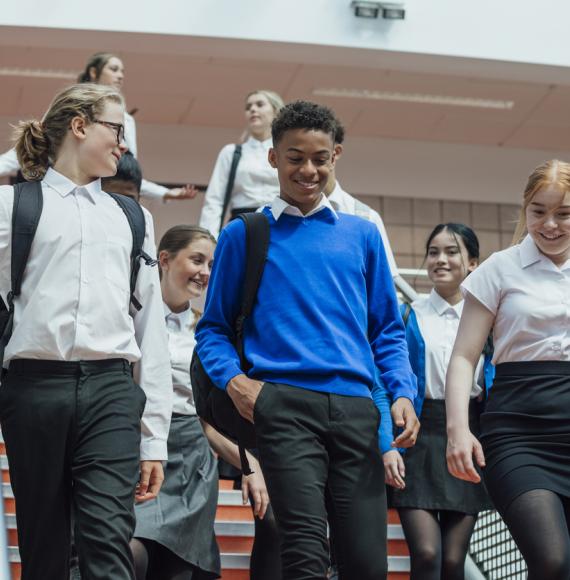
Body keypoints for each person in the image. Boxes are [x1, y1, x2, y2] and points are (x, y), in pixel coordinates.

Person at [195, 100, 419, 580]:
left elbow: (386, 329)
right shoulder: (244, 234)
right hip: (282, 406)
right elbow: (212, 329)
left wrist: (401, 390)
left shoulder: (362, 235)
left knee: (365, 563)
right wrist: (237, 384)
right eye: (295, 157)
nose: (308, 169)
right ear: (273, 158)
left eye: (320, 158)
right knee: (303, 553)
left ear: (336, 156)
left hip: (357, 408)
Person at [0, 83, 172, 580]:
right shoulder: (13, 206)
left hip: (111, 390)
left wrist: (154, 438)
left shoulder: (134, 218)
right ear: (79, 126)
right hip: (32, 389)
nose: (124, 144)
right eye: (116, 130)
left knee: (107, 541)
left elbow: (150, 331)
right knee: (44, 545)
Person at [446, 159, 570, 579]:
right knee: (551, 561)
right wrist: (458, 430)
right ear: (525, 209)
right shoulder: (501, 268)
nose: (550, 224)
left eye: (564, 213)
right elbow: (464, 356)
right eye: (539, 211)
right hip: (519, 433)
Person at [129, 224, 269, 580]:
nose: (206, 272)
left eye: (212, 263)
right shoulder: (128, 319)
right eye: (197, 260)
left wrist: (249, 465)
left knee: (179, 570)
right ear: (164, 259)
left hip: (193, 461)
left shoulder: (207, 333)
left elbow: (204, 421)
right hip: (137, 450)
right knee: (130, 554)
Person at [375, 223, 493, 580]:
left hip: (469, 437)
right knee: (427, 555)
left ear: (473, 262)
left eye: (451, 252)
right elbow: (383, 382)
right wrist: (385, 444)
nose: (440, 259)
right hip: (416, 440)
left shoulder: (488, 318)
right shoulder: (409, 314)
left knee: (454, 562)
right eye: (433, 252)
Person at [0, 52, 195, 203]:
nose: (120, 76)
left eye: (123, 72)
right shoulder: (66, 106)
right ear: (94, 72)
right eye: (114, 69)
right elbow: (30, 149)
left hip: (102, 196)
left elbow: (128, 172)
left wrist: (165, 193)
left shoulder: (127, 120)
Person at [198, 90, 284, 237]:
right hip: (242, 224)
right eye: (248, 106)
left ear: (276, 111)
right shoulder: (231, 152)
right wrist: (209, 238)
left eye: (260, 104)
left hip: (282, 222)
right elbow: (214, 200)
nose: (253, 109)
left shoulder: (286, 152)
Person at [324, 120, 398, 278]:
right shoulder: (271, 217)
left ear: (335, 153)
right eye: (297, 157)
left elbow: (385, 281)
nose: (307, 168)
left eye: (318, 155)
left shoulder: (366, 217)